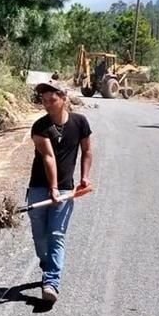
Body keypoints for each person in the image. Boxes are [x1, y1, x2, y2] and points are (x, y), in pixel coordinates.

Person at [27, 80, 93, 304]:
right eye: (44, 101)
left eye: (52, 100)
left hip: (65, 189)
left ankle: (51, 282)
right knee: (40, 235)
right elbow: (48, 157)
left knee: (56, 234)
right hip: (38, 187)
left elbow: (86, 151)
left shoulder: (80, 122)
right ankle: (47, 264)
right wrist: (51, 188)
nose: (47, 104)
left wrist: (84, 177)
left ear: (64, 98)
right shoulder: (39, 126)